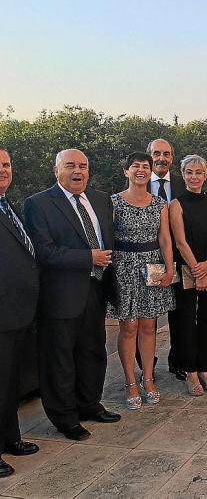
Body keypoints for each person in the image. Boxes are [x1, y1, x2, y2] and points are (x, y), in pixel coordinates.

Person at [24, 149, 121, 441]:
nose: (77, 171)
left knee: (93, 351)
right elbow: (43, 252)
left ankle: (89, 405)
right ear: (56, 171)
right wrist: (88, 257)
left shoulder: (102, 199)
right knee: (60, 358)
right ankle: (66, 419)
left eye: (83, 166)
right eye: (70, 166)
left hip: (96, 290)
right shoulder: (38, 204)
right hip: (61, 294)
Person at [107, 152, 176, 409]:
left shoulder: (160, 204)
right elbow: (108, 238)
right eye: (135, 166)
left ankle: (148, 378)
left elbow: (165, 239)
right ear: (126, 171)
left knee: (149, 326)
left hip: (152, 266)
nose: (141, 170)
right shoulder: (114, 202)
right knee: (129, 327)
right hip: (124, 266)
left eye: (145, 167)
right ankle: (130, 382)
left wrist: (170, 269)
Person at [169, 155, 207, 396]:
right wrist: (197, 269)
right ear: (183, 175)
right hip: (186, 270)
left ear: (206, 175)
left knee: (205, 320)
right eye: (189, 172)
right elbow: (180, 242)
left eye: (199, 172)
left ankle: (203, 368)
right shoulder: (176, 204)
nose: (194, 177)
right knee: (186, 322)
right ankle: (190, 371)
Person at [0, 147, 40, 478]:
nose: (4, 170)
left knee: (10, 380)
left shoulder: (6, 205)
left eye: (6, 164)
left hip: (18, 312)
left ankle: (10, 438)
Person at [146, 138, 186, 380]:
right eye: (156, 153)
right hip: (147, 258)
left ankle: (178, 361)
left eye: (167, 154)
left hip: (179, 257)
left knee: (180, 314)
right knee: (146, 316)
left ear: (172, 158)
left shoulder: (184, 185)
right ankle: (146, 366)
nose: (161, 158)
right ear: (149, 155)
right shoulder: (135, 182)